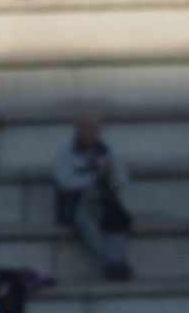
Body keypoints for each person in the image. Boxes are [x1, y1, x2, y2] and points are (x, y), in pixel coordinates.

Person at [54, 116, 134, 281]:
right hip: (75, 202)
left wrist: (111, 177)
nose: (90, 134)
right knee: (86, 220)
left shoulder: (107, 150)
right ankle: (110, 264)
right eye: (86, 130)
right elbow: (65, 183)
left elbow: (121, 183)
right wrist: (94, 179)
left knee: (119, 219)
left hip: (103, 199)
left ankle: (118, 263)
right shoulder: (66, 151)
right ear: (78, 132)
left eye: (94, 130)